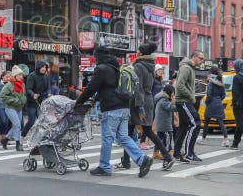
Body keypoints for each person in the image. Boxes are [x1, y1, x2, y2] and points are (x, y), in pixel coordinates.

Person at [75, 46, 153, 178]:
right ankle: (142, 159)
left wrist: (79, 101)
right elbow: (109, 88)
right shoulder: (116, 67)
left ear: (98, 56)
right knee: (123, 137)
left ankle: (104, 167)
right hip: (124, 107)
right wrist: (96, 98)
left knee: (107, 138)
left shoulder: (101, 69)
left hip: (112, 109)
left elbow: (92, 87)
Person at [121, 43, 174, 171]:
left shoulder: (139, 66)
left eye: (138, 51)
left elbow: (138, 88)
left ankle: (167, 156)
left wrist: (139, 107)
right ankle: (126, 160)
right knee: (137, 130)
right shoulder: (150, 66)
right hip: (148, 100)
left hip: (140, 102)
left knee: (138, 132)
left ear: (141, 54)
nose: (137, 53)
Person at [174, 50, 205, 164]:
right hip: (183, 101)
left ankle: (177, 154)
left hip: (185, 101)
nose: (202, 61)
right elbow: (179, 86)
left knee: (183, 127)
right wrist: (191, 96)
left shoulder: (190, 68)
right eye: (201, 58)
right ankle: (189, 153)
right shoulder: (186, 68)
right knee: (195, 123)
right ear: (194, 57)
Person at [0, 67, 27, 151]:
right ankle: (18, 144)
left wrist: (23, 100)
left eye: (21, 75)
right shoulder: (9, 85)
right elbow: (2, 96)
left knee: (16, 126)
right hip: (10, 108)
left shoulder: (22, 84)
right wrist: (14, 100)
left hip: (19, 108)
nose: (21, 76)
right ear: (15, 75)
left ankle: (5, 140)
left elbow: (23, 95)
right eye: (19, 75)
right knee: (17, 125)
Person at [200, 67, 228, 147]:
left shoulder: (210, 83)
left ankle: (203, 139)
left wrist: (207, 102)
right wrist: (218, 99)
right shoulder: (221, 82)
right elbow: (223, 95)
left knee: (206, 122)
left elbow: (208, 95)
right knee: (221, 122)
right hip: (218, 103)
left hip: (211, 103)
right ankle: (226, 140)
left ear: (211, 73)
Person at [23, 61, 49, 139]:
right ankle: (22, 136)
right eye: (43, 67)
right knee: (31, 121)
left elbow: (48, 88)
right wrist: (33, 94)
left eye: (45, 67)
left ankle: (43, 139)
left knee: (42, 121)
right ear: (38, 67)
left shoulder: (46, 76)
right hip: (31, 102)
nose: (44, 69)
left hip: (41, 101)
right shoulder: (31, 76)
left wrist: (49, 93)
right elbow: (28, 89)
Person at [154, 84, 176, 159]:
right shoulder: (164, 100)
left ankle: (156, 153)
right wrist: (173, 102)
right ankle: (169, 152)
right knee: (168, 138)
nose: (173, 95)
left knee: (159, 139)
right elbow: (171, 108)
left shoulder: (162, 99)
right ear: (168, 93)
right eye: (172, 94)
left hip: (161, 123)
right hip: (165, 124)